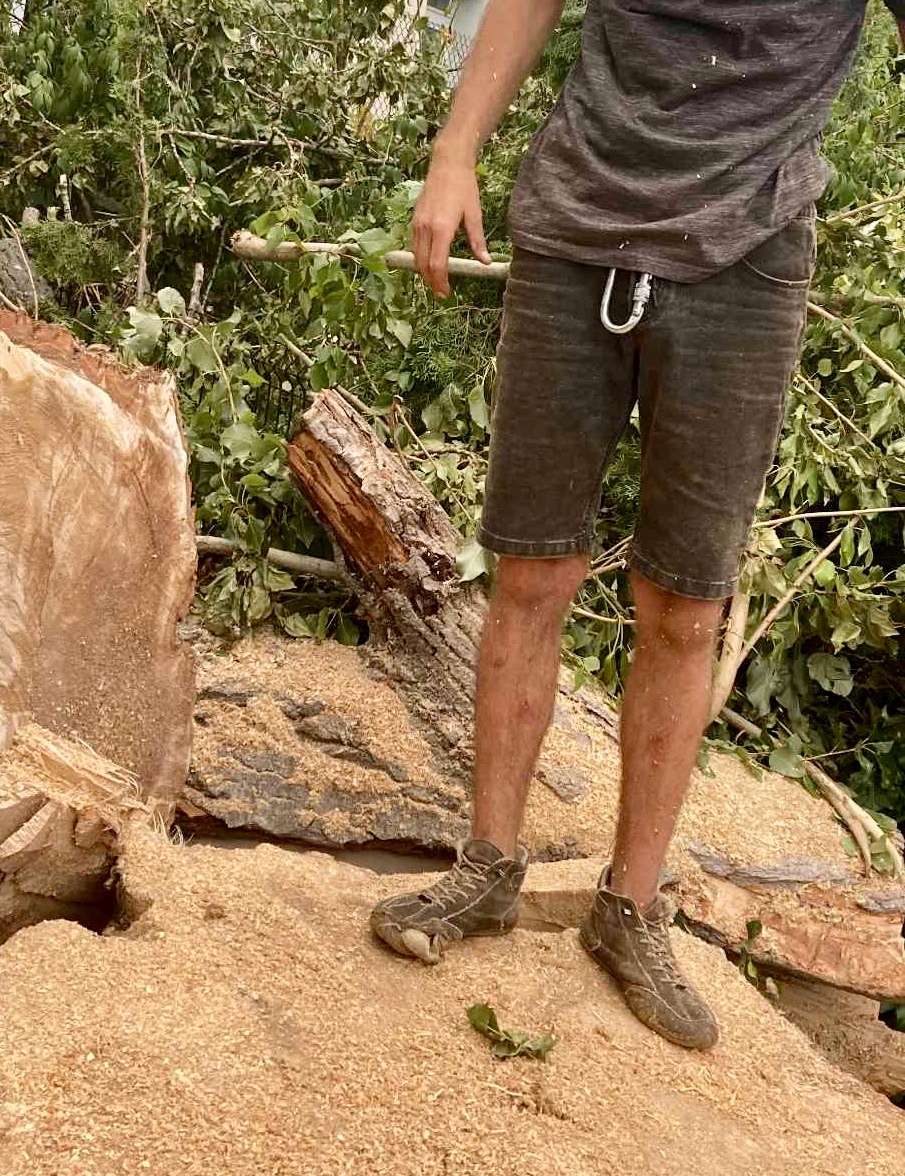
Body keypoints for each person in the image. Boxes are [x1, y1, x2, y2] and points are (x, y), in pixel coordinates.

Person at [371, 0, 905, 1050]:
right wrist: (454, 154)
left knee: (683, 601)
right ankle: (486, 871)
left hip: (745, 258)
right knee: (528, 571)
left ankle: (629, 906)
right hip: (577, 227)